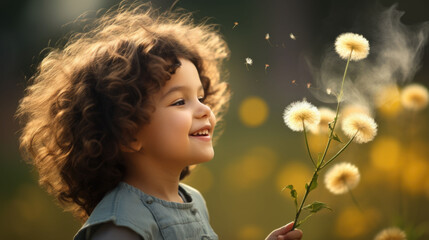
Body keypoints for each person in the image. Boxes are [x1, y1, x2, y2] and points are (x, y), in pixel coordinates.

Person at [17, 2, 303, 240]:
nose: (204, 110)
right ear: (128, 132)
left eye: (201, 97)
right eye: (180, 101)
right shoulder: (121, 227)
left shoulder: (193, 201)